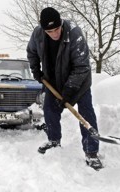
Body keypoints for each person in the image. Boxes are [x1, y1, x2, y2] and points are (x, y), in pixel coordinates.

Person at [27, 7, 103, 170]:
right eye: (50, 31)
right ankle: (54, 140)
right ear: (43, 29)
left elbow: (82, 67)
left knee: (86, 112)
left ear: (61, 23)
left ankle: (91, 152)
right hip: (53, 82)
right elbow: (31, 52)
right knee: (49, 110)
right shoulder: (38, 34)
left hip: (79, 82)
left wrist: (69, 91)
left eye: (57, 29)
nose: (54, 34)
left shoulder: (74, 33)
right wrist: (36, 71)